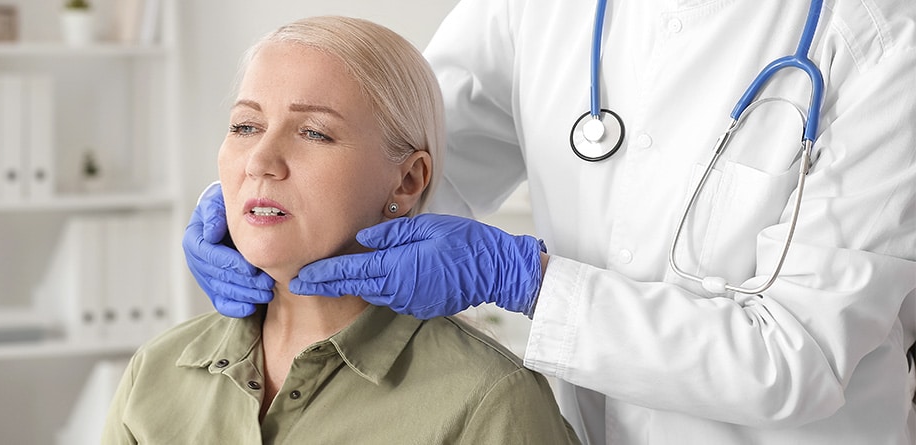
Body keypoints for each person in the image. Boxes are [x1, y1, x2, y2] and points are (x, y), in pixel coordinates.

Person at [184, 1, 916, 444]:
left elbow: (800, 356)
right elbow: (403, 145)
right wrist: (257, 196)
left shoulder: (883, 41)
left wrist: (526, 281)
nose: (262, 151)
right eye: (241, 126)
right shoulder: (168, 378)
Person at [104, 16, 579, 444]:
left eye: (314, 133)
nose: (259, 163)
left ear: (409, 179)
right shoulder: (157, 371)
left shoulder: (488, 402)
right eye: (246, 126)